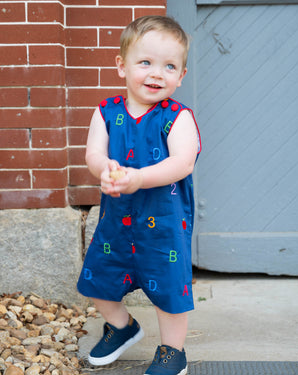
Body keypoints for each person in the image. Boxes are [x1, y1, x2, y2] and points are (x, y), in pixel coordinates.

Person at [77, 15, 201, 375]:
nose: (156, 73)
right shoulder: (106, 113)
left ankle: (172, 351)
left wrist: (139, 178)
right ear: (122, 65)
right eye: (145, 62)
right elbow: (93, 154)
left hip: (162, 226)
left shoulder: (177, 117)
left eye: (169, 66)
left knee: (170, 296)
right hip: (116, 224)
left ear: (181, 76)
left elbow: (183, 162)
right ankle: (122, 327)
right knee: (97, 280)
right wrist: (106, 171)